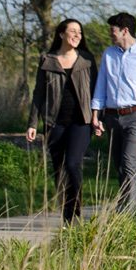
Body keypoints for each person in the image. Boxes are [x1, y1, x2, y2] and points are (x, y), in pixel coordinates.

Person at [89, 11, 136, 211]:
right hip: (112, 117)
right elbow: (101, 85)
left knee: (129, 162)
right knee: (119, 166)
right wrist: (95, 114)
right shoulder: (108, 54)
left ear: (125, 31)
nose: (110, 34)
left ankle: (126, 213)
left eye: (113, 30)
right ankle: (132, 206)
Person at [25, 17, 95, 223]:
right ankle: (67, 216)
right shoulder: (47, 60)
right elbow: (38, 93)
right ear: (61, 34)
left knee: (73, 164)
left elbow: (96, 92)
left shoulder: (87, 60)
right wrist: (32, 123)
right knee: (59, 169)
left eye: (79, 32)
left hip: (81, 122)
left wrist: (98, 118)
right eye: (72, 31)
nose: (76, 35)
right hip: (54, 123)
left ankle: (76, 211)